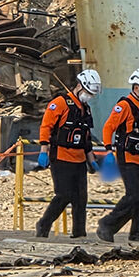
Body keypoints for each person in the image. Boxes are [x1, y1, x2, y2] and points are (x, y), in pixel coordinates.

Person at [96, 68, 139, 242]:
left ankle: (138, 234)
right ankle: (108, 224)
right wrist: (108, 150)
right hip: (128, 158)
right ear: (137, 88)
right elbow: (108, 127)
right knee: (133, 196)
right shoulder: (125, 106)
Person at [35, 69, 102, 238]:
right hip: (61, 157)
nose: (89, 96)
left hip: (79, 159)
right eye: (88, 92)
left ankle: (79, 233)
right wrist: (44, 150)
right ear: (79, 86)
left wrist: (91, 160)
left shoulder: (85, 109)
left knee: (81, 198)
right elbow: (46, 127)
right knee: (63, 194)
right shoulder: (60, 103)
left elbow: (86, 137)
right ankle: (44, 224)